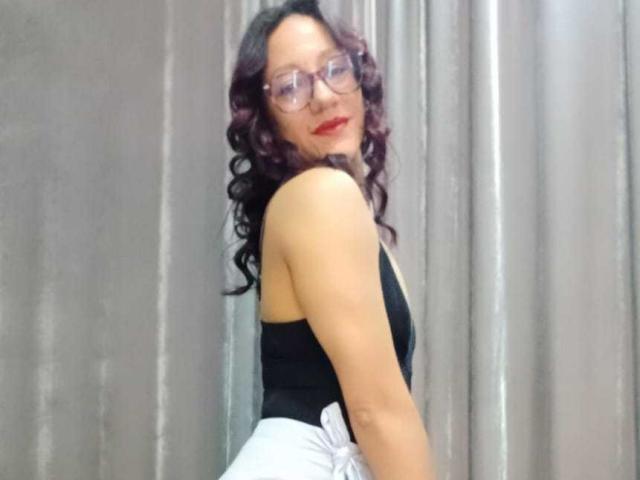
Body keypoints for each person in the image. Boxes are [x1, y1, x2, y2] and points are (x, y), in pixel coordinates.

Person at [219, 0, 437, 478]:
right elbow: (377, 411)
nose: (321, 96)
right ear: (266, 120)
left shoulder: (332, 207)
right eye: (290, 86)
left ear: (359, 79)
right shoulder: (321, 194)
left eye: (334, 69)